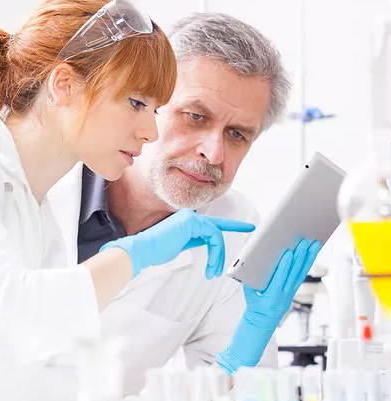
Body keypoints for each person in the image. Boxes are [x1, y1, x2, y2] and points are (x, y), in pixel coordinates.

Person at [0, 1, 255, 400]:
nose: (150, 131)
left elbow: (48, 384)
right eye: (136, 103)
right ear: (64, 84)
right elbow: (5, 320)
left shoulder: (38, 218)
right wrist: (132, 256)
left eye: (155, 110)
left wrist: (237, 358)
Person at [47, 13, 322, 396]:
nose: (214, 152)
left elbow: (233, 388)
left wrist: (245, 355)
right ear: (146, 101)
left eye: (237, 134)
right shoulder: (44, 185)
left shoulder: (233, 228)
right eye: (195, 116)